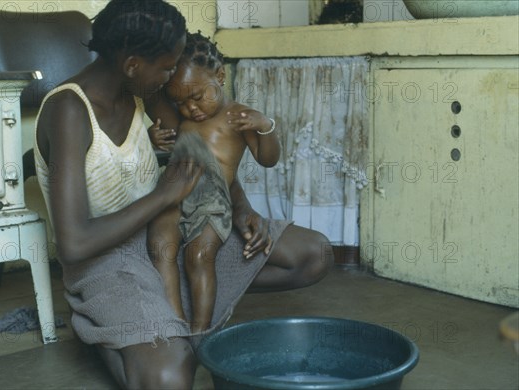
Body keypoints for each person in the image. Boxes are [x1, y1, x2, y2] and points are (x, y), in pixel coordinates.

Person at [34, 1, 333, 388]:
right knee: (172, 377)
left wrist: (240, 208)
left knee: (314, 255)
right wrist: (163, 195)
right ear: (132, 65)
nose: (172, 76)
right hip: (106, 261)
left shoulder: (147, 94)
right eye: (167, 66)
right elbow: (74, 244)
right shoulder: (69, 111)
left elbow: (201, 162)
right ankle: (112, 326)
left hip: (169, 239)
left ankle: (162, 317)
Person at [146, 32, 281, 334]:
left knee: (199, 257)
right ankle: (174, 324)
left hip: (212, 201)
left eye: (196, 97)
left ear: (220, 76)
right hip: (171, 194)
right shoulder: (183, 119)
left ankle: (200, 331)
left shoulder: (238, 117)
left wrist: (266, 127)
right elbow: (160, 143)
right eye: (179, 102)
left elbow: (268, 159)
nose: (190, 108)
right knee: (161, 247)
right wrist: (150, 138)